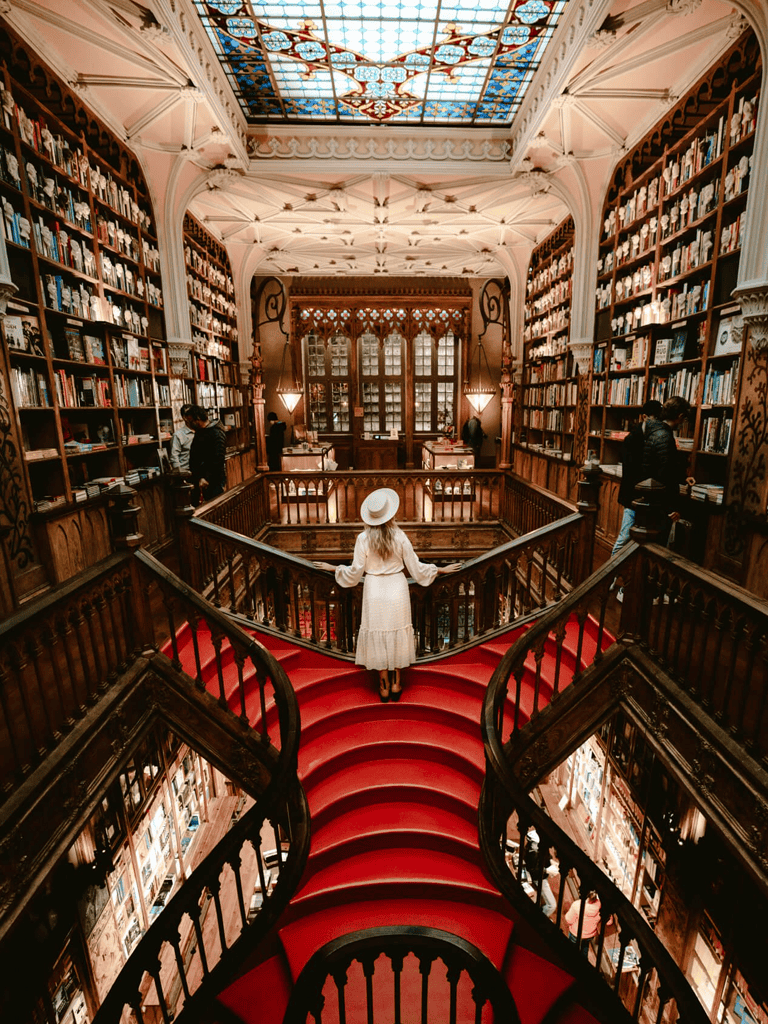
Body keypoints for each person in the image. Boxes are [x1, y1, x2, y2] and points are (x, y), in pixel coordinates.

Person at [312, 488, 462, 702]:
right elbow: (416, 568)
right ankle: (396, 682)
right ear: (390, 515)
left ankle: (382, 683)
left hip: (374, 590)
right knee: (397, 633)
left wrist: (332, 568)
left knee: (378, 633)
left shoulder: (362, 539)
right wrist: (440, 569)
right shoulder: (400, 537)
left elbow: (354, 573)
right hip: (396, 588)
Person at [640, 395, 695, 546]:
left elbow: (661, 465)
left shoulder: (654, 431)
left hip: (651, 497)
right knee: (656, 545)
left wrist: (683, 477)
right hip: (660, 504)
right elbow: (665, 473)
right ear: (680, 416)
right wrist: (672, 508)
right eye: (683, 420)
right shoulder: (665, 436)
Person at [612, 399, 663, 558]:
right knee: (625, 536)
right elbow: (630, 470)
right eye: (652, 419)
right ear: (644, 417)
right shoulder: (633, 438)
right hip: (633, 495)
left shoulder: (654, 437)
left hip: (648, 496)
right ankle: (607, 576)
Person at [188, 404, 227, 503]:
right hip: (199, 479)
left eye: (190, 421)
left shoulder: (216, 433)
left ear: (197, 419)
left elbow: (218, 459)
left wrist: (206, 478)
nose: (189, 425)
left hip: (212, 480)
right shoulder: (200, 432)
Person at [565, 890, 601, 955]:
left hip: (576, 934)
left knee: (571, 953)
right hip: (589, 935)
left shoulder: (577, 905)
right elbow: (609, 922)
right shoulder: (600, 905)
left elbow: (569, 920)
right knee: (584, 949)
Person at [169, 403, 195, 473]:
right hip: (186, 472)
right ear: (185, 417)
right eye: (191, 414)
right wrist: (181, 474)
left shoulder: (201, 432)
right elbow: (174, 458)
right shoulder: (178, 435)